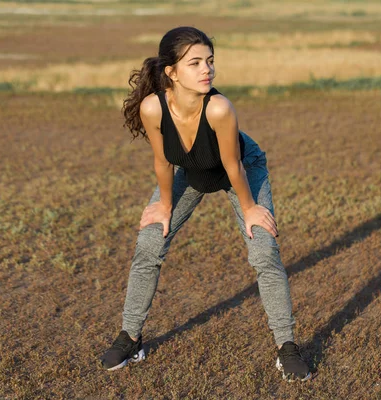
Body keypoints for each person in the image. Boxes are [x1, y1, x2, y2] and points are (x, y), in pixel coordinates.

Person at [99, 26, 311, 382]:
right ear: (171, 73)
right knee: (150, 241)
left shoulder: (219, 109)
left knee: (264, 251)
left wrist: (250, 209)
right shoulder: (154, 108)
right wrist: (164, 206)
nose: (206, 69)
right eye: (195, 63)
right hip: (190, 171)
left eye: (210, 61)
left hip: (241, 172)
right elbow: (163, 162)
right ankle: (130, 338)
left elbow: (233, 166)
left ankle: (286, 348)